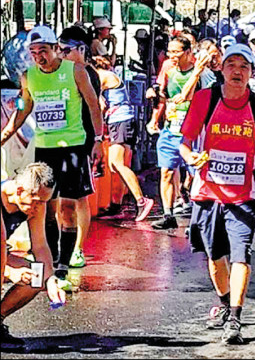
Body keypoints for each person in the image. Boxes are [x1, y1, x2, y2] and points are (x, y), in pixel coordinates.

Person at [179, 44, 255, 345]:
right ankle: (224, 302)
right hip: (208, 192)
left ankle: (235, 318)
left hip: (244, 195)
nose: (237, 71)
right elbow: (186, 141)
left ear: (251, 72)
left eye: (244, 66)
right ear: (221, 69)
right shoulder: (205, 100)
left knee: (240, 255)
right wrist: (190, 157)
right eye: (231, 65)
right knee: (214, 256)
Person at [0, 26, 102, 290]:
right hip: (45, 149)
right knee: (45, 208)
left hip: (73, 146)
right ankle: (52, 262)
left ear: (56, 49)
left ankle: (64, 267)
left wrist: (99, 140)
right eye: (33, 53)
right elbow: (22, 109)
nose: (39, 58)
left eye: (43, 51)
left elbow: (93, 104)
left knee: (68, 207)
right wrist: (5, 134)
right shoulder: (28, 77)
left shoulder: (75, 71)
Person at [1, 163, 68, 346]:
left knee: (38, 276)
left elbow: (40, 246)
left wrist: (50, 280)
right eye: (37, 201)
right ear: (20, 190)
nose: (39, 207)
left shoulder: (36, 205)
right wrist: (9, 272)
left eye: (44, 202)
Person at [146, 36, 206, 229]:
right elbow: (165, 98)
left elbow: (188, 95)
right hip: (170, 129)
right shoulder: (170, 72)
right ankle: (168, 214)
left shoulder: (200, 74)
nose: (172, 56)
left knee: (197, 175)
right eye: (169, 52)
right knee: (166, 172)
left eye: (176, 52)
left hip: (193, 132)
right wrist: (155, 113)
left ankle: (199, 219)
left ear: (188, 52)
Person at [56, 26, 102, 266]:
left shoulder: (86, 73)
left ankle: (78, 248)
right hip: (56, 142)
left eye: (66, 50)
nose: (61, 54)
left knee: (78, 198)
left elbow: (95, 108)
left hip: (80, 142)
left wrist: (98, 140)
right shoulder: (58, 71)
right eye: (58, 49)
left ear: (81, 50)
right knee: (58, 198)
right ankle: (60, 246)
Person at [92, 56, 155, 220]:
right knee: (115, 165)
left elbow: (100, 104)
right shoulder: (108, 76)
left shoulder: (103, 76)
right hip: (123, 120)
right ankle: (116, 204)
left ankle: (141, 201)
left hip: (119, 121)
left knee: (118, 164)